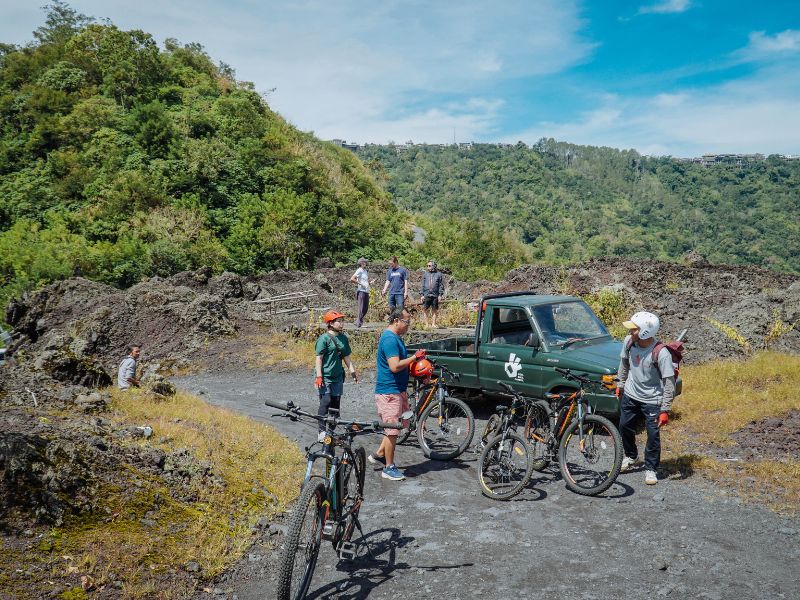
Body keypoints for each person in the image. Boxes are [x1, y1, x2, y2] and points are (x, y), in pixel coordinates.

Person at [616, 311, 676, 485]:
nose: (629, 333)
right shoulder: (628, 343)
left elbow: (669, 382)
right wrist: (620, 385)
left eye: (633, 330)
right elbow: (624, 364)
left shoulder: (661, 353)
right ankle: (631, 456)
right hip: (631, 394)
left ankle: (650, 468)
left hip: (653, 400)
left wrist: (665, 409)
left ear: (644, 332)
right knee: (624, 425)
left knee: (652, 435)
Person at [368, 307, 425, 481]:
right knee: (392, 430)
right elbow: (394, 366)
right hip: (389, 391)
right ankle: (389, 467)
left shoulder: (396, 338)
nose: (409, 325)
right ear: (396, 321)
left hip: (397, 390)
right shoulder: (389, 339)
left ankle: (379, 454)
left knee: (396, 428)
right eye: (407, 321)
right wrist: (414, 358)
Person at [315, 310, 358, 439]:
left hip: (338, 376)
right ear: (330, 323)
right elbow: (319, 358)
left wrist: (353, 372)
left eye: (342, 321)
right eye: (338, 321)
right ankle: (321, 432)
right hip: (325, 376)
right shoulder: (324, 339)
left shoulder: (343, 338)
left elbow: (346, 357)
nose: (341, 323)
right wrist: (318, 376)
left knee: (335, 405)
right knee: (326, 401)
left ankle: (331, 432)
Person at [420, 260, 445, 328]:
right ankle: (426, 324)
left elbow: (441, 285)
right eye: (427, 266)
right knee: (425, 309)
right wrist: (422, 295)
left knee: (434, 309)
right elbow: (422, 285)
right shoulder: (425, 274)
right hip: (426, 294)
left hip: (435, 295)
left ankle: (433, 324)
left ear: (434, 266)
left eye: (429, 266)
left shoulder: (439, 274)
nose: (428, 267)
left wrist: (440, 295)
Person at [350, 257, 372, 328]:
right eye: (363, 262)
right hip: (361, 291)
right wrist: (360, 284)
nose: (365, 263)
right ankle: (358, 323)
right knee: (361, 307)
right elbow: (352, 279)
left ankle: (358, 321)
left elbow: (365, 282)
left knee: (365, 308)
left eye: (365, 262)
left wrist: (370, 283)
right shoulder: (359, 270)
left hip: (366, 291)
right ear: (361, 263)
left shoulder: (365, 271)